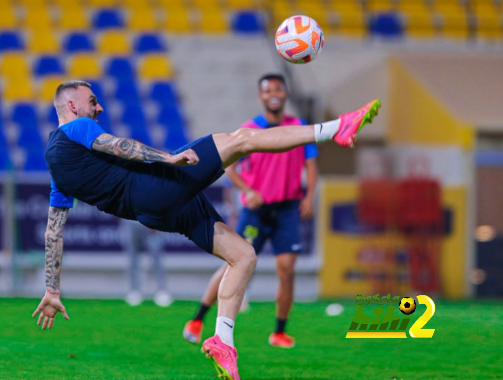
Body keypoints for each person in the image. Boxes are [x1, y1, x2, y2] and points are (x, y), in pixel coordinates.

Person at [31, 80, 380, 380]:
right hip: (156, 186)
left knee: (243, 256)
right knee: (242, 139)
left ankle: (222, 343)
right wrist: (167, 158)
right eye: (93, 101)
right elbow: (117, 144)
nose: (100, 107)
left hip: (156, 213)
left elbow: (53, 232)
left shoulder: (57, 167)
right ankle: (337, 128)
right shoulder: (75, 127)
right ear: (73, 105)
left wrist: (52, 289)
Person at [183, 74, 318, 349]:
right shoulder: (249, 129)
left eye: (279, 88)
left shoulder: (299, 127)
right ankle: (197, 319)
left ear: (286, 93)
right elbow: (229, 165)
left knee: (287, 269)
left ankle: (279, 331)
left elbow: (311, 163)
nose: (274, 93)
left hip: (288, 208)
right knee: (234, 262)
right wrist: (247, 189)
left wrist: (310, 195)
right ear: (261, 96)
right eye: (268, 90)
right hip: (256, 210)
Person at [121, 219, 172, 307]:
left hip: (149, 221)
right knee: (132, 257)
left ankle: (161, 290)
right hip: (130, 222)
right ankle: (134, 290)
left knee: (156, 257)